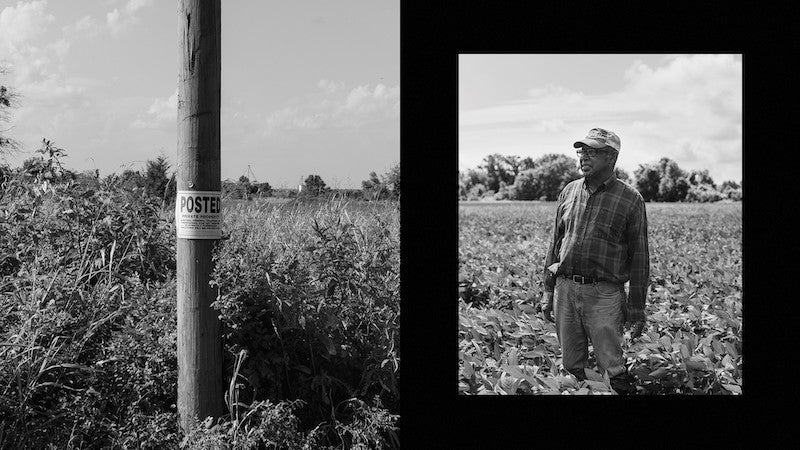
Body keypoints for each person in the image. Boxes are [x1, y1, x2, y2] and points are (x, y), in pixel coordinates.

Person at [540, 127, 649, 395]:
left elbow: (640, 258)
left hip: (604, 295)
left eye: (592, 152)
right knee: (570, 364)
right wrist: (547, 289)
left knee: (612, 366)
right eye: (582, 151)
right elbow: (555, 244)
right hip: (565, 289)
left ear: (611, 158)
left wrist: (636, 309)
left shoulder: (630, 199)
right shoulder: (569, 191)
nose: (583, 157)